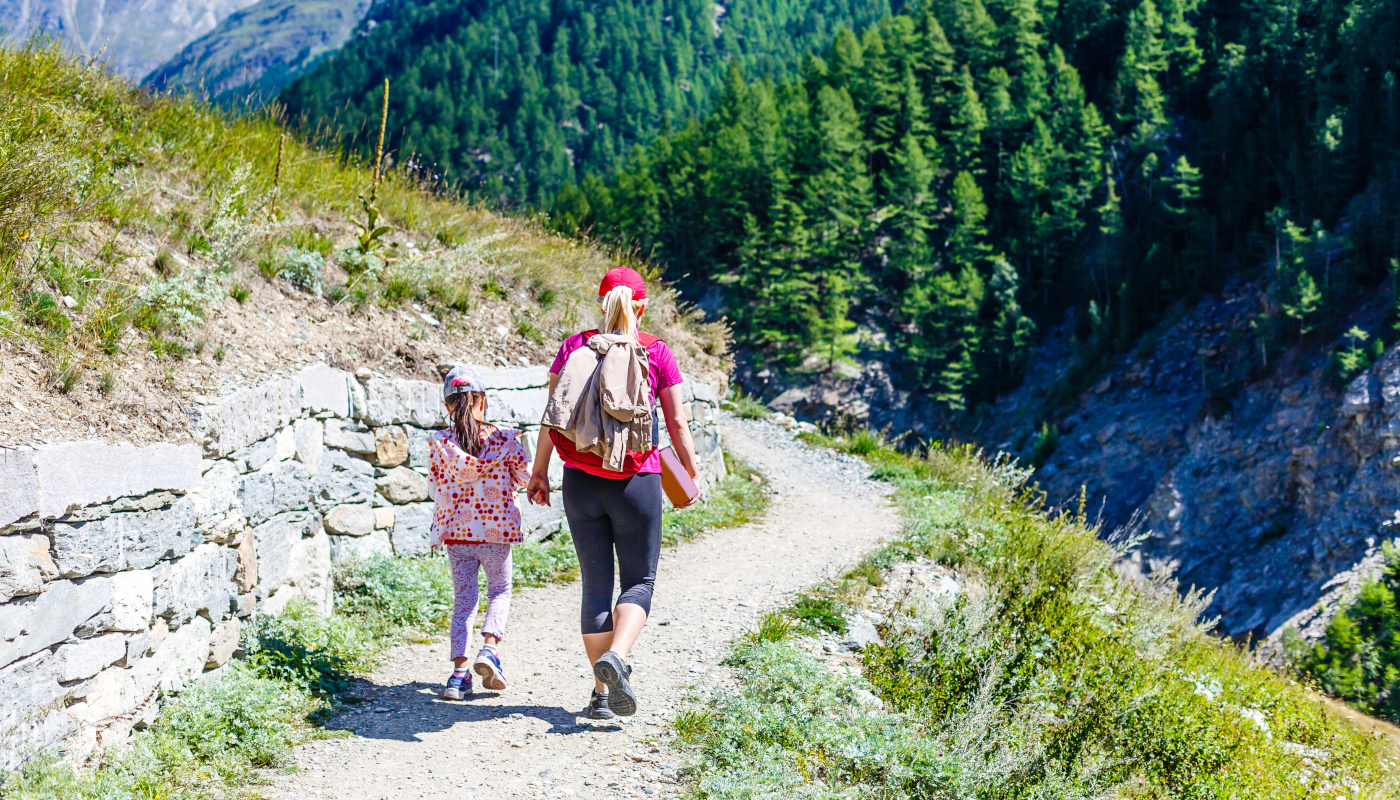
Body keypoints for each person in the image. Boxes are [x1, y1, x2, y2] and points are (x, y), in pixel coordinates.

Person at [527, 266, 701, 719]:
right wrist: (692, 472)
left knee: (596, 586)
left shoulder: (574, 346)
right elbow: (678, 424)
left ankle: (601, 696)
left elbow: (554, 412)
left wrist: (540, 471)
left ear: (601, 302)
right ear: (641, 305)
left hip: (581, 482)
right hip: (635, 482)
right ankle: (618, 658)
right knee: (639, 581)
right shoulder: (657, 352)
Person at [427, 366, 531, 700]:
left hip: (458, 536)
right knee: (500, 590)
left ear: (448, 406)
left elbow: (435, 489)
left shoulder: (441, 444)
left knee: (464, 602)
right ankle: (489, 649)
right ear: (482, 400)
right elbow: (525, 477)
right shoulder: (504, 439)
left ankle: (458, 677)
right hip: (496, 533)